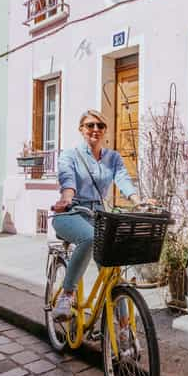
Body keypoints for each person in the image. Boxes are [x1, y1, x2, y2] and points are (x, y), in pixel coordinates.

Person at [51, 109, 142, 321]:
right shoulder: (69, 155)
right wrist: (66, 199)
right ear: (81, 129)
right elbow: (68, 180)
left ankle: (122, 329)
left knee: (113, 271)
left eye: (100, 126)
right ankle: (67, 294)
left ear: (105, 130)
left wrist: (139, 201)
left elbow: (123, 180)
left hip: (99, 216)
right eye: (90, 125)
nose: (95, 129)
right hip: (71, 212)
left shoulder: (113, 158)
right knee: (89, 238)